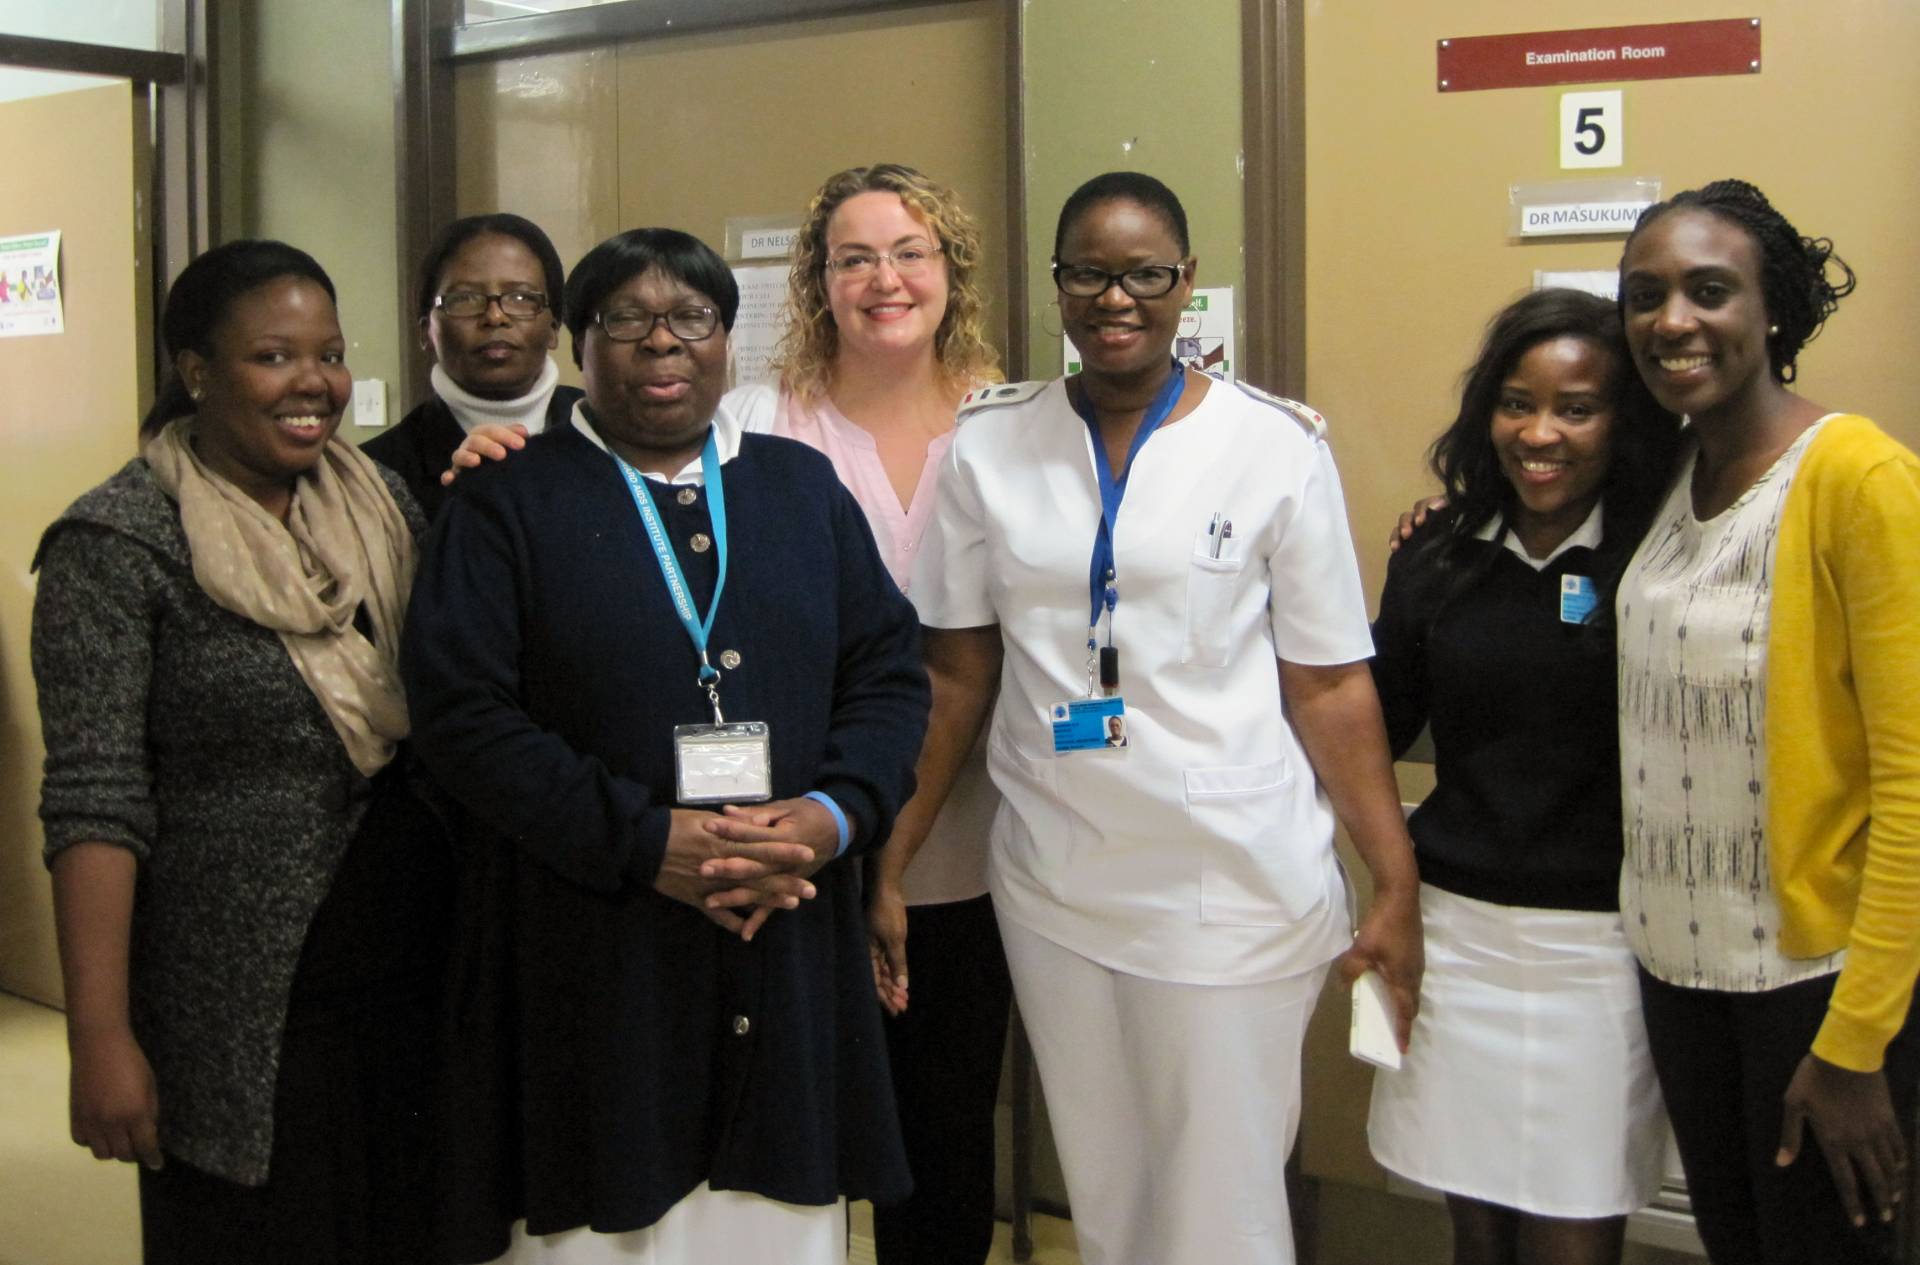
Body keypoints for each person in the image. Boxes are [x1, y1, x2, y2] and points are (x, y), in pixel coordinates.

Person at [901, 171, 1424, 1265]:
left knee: (1220, 1201)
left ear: (1187, 281)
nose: (1115, 298)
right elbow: (957, 671)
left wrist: (1394, 877)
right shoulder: (990, 443)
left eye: (1144, 274)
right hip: (1057, 874)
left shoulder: (1275, 445)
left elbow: (1329, 682)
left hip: (1227, 878)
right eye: (1088, 273)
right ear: (1057, 285)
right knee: (1109, 1191)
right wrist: (890, 861)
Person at [399, 226, 929, 1265]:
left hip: (787, 927)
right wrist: (644, 840)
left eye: (691, 317)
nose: (662, 342)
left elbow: (888, 674)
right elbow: (462, 715)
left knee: (777, 1223)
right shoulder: (508, 499)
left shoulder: (800, 488)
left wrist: (832, 816)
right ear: (579, 345)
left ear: (728, 339)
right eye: (627, 320)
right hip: (593, 949)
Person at [32, 240, 443, 1264]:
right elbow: (94, 799)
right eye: (273, 356)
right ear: (197, 371)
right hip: (235, 1010)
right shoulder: (119, 544)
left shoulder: (385, 507)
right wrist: (99, 1035)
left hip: (405, 982)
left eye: (330, 354)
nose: (315, 382)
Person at [1613, 178, 1920, 1265]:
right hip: (1679, 975)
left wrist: (1856, 1042)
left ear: (1773, 307)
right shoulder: (1667, 470)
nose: (1672, 320)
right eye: (1645, 296)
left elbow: (1913, 782)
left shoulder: (1858, 476)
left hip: (1812, 989)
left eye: (1709, 290)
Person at [726, 162, 1011, 1265]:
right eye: (854, 258)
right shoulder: (757, 424)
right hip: (798, 848)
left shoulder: (1013, 423)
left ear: (951, 271)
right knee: (791, 1131)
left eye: (909, 253)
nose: (884, 280)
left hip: (967, 850)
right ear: (818, 281)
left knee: (941, 1136)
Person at [1364, 289, 1680, 1265]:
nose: (1540, 433)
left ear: (1622, 421)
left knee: (1574, 1234)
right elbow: (1374, 725)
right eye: (1516, 403)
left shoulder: (1663, 554)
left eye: (1576, 408)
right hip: (1456, 938)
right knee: (1478, 1231)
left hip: (1605, 949)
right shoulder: (1438, 552)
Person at [362, 212, 580, 518]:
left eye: (520, 298)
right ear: (426, 331)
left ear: (554, 327)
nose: (495, 316)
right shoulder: (374, 475)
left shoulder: (604, 432)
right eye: (465, 298)